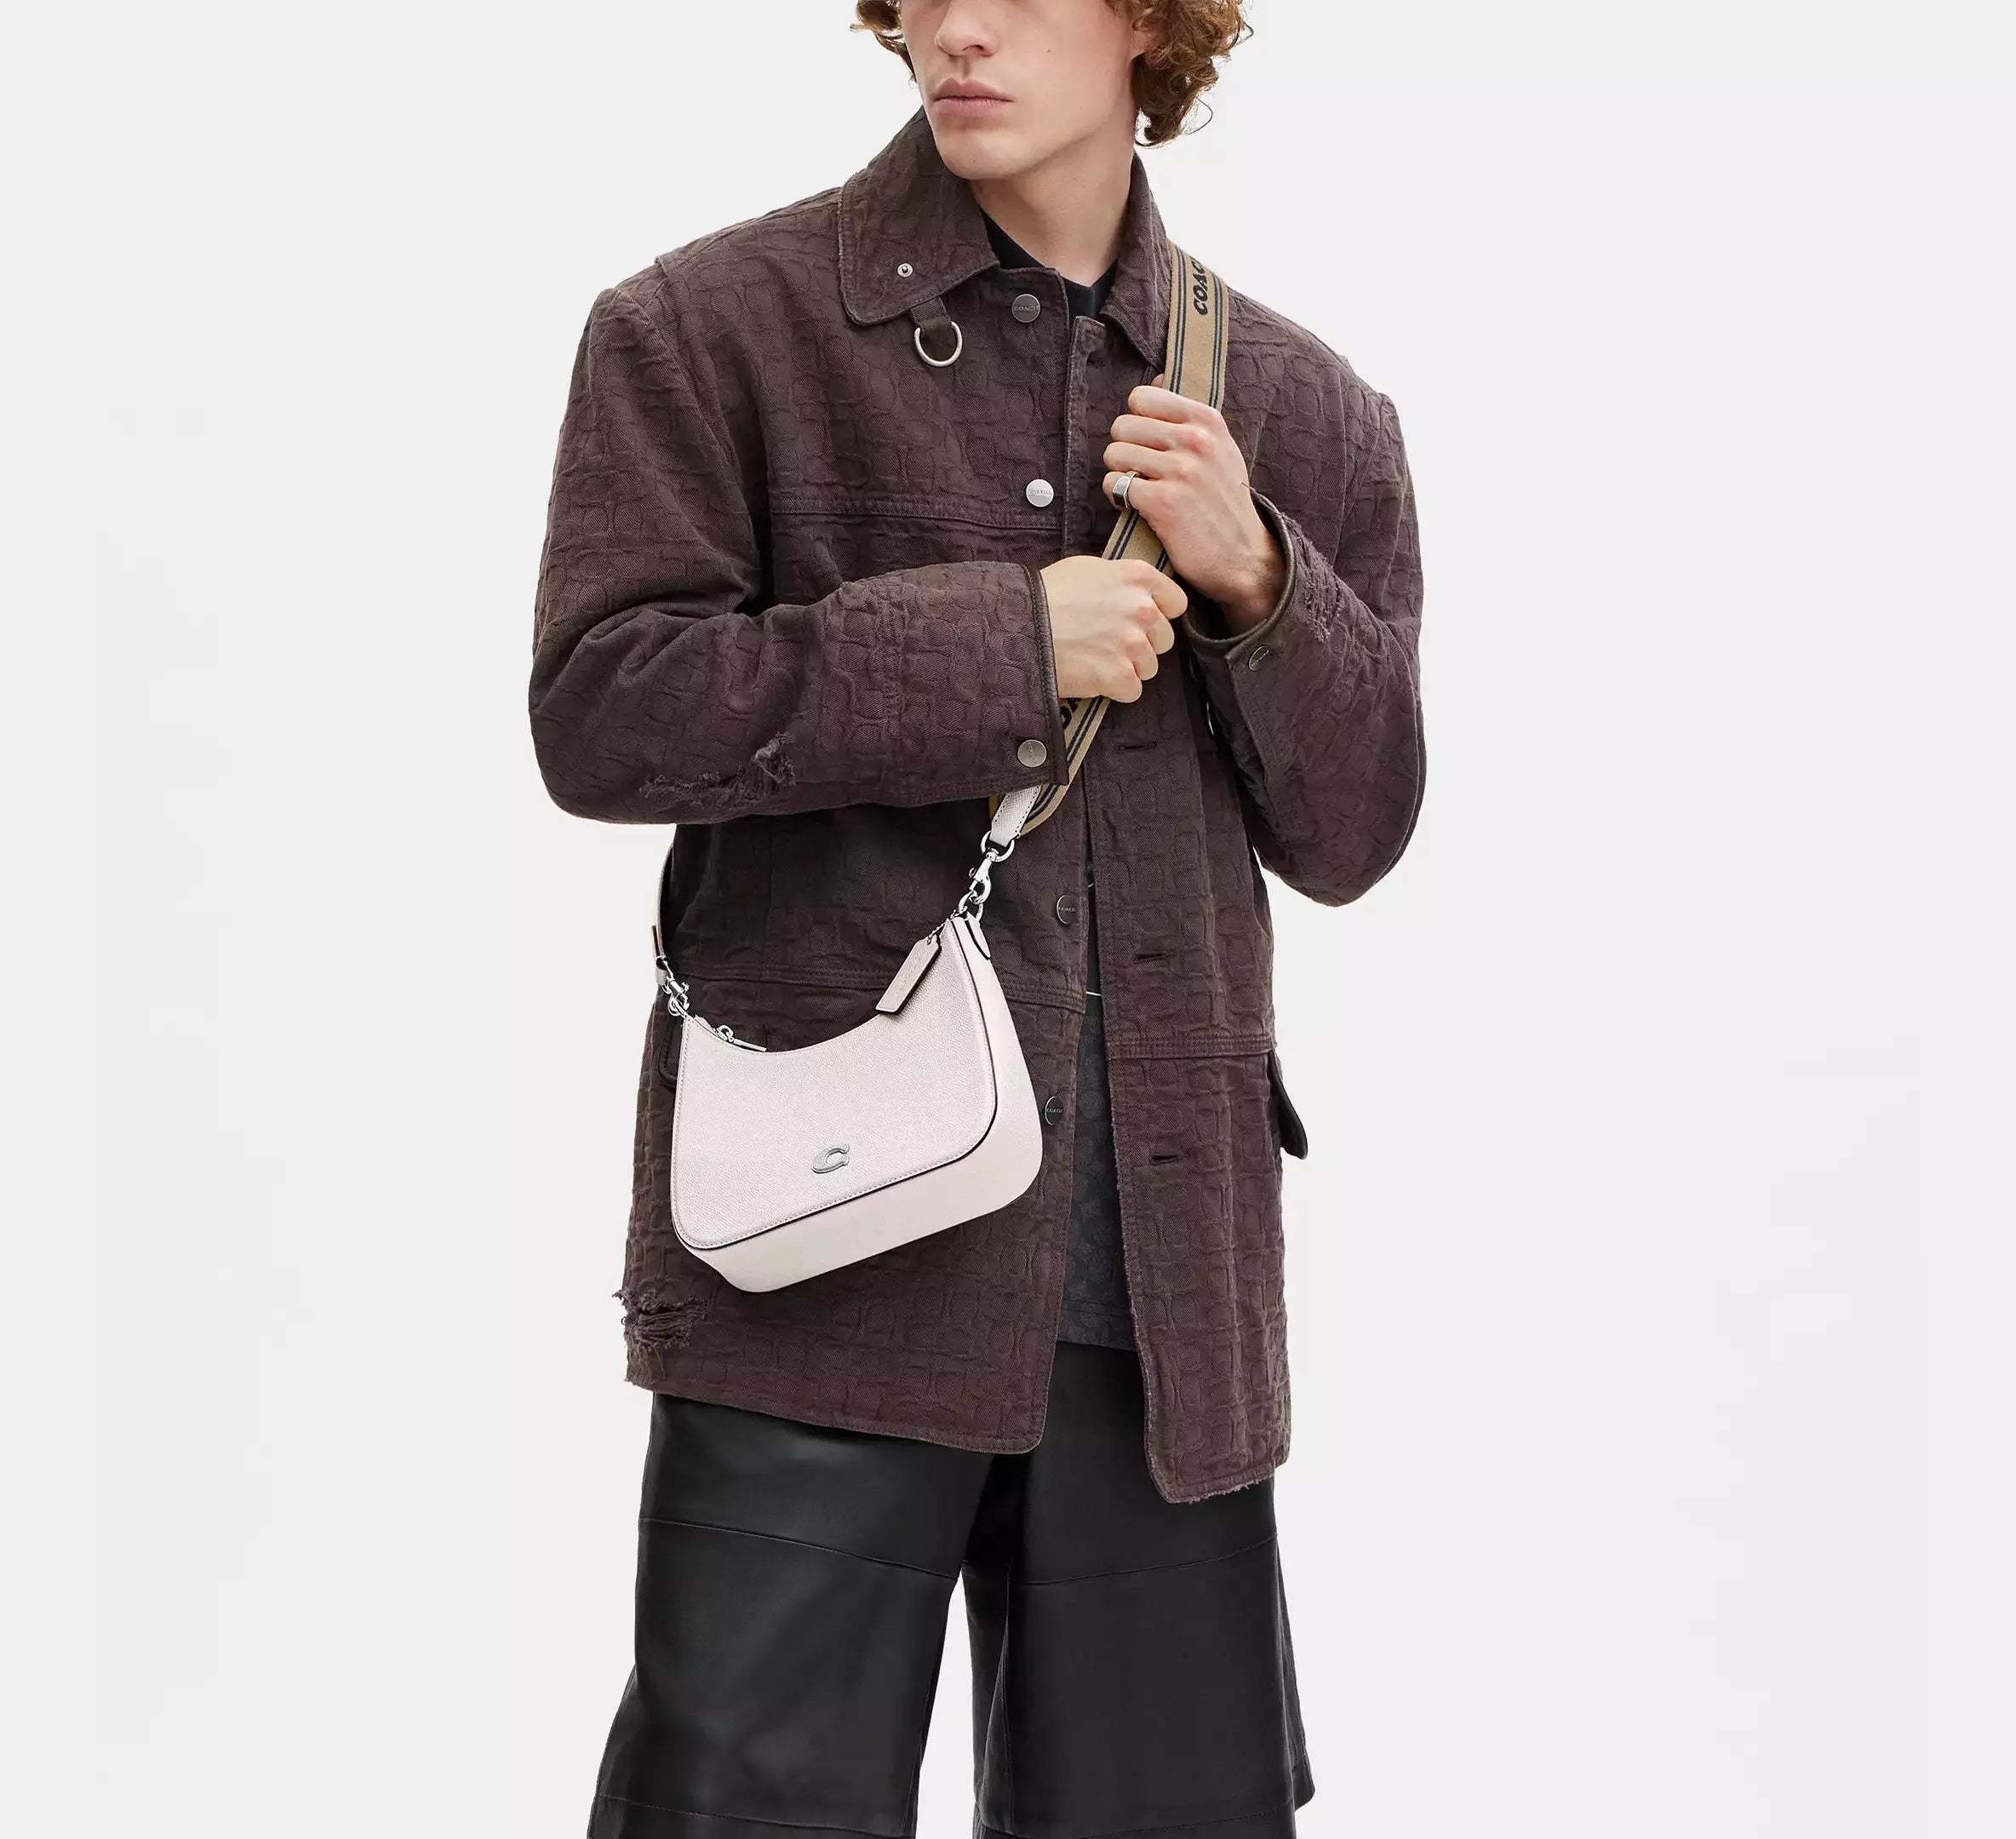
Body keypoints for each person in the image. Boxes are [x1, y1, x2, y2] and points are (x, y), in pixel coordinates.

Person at [529, 3, 1425, 1834]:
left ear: (1151, 22)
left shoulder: (1300, 407)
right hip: (823, 1250)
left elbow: (1356, 831)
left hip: (1161, 1296)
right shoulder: (712, 329)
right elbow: (602, 713)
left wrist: (1257, 576)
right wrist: (1001, 644)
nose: (956, 26)